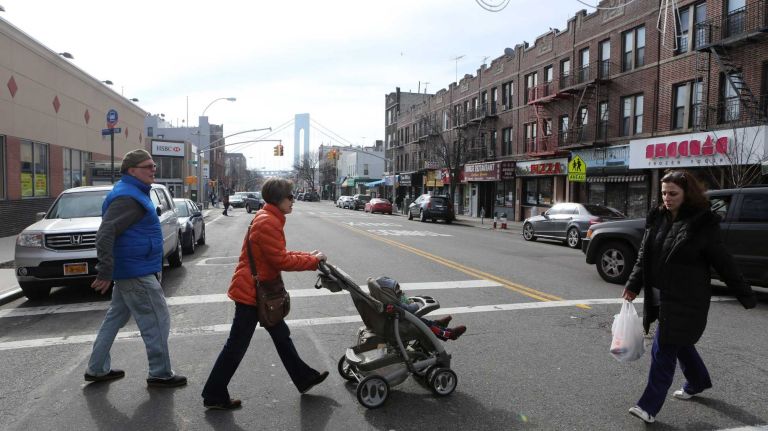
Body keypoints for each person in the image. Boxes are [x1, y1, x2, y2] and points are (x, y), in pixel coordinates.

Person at [622, 169, 756, 424]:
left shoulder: (702, 224)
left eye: (673, 193)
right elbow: (644, 257)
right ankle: (698, 381)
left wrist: (745, 295)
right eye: (663, 193)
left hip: (687, 298)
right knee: (679, 343)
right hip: (660, 295)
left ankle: (648, 406)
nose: (667, 198)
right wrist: (633, 284)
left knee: (664, 348)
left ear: (687, 194)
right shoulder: (658, 218)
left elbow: (724, 262)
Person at [201, 177, 329, 410]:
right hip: (253, 293)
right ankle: (213, 392)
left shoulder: (269, 217)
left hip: (258, 290)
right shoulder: (268, 222)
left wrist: (308, 255)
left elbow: (277, 253)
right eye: (290, 197)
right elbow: (281, 260)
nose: (293, 201)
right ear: (279, 199)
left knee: (281, 335)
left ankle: (304, 377)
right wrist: (312, 261)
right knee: (237, 345)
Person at [85, 149, 187, 388]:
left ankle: (97, 368)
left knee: (114, 319)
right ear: (132, 170)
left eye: (153, 166)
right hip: (136, 271)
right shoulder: (128, 198)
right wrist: (105, 270)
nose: (154, 170)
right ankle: (160, 373)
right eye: (148, 166)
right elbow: (105, 232)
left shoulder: (132, 192)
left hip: (133, 268)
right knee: (157, 320)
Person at [376, 276, 467, 341]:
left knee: (422, 320)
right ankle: (448, 334)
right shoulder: (393, 305)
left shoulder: (381, 301)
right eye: (397, 291)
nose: (399, 292)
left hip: (395, 322)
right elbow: (411, 309)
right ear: (388, 293)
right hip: (399, 326)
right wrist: (414, 304)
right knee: (424, 324)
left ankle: (437, 324)